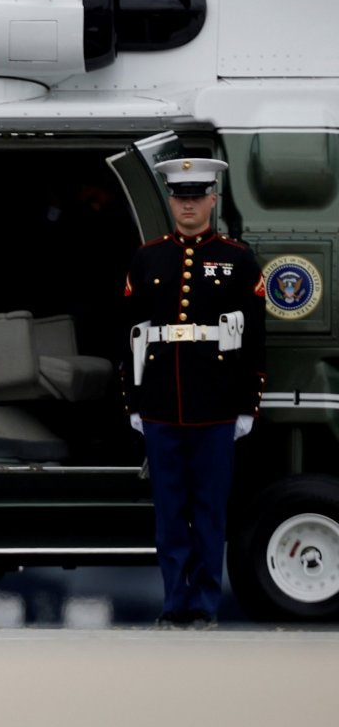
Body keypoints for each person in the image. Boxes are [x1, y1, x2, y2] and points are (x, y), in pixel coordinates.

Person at [123, 157, 266, 629]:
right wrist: (135, 402)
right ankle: (173, 603)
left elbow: (254, 340)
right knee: (169, 511)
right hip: (162, 402)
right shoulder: (148, 258)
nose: (188, 205)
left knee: (208, 511)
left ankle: (203, 606)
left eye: (196, 196)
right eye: (180, 197)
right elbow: (130, 334)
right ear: (170, 200)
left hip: (217, 402)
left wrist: (247, 405)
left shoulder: (238, 258)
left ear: (212, 199)